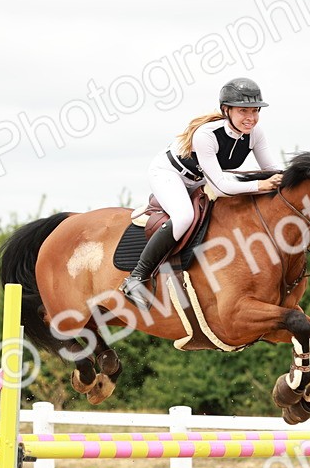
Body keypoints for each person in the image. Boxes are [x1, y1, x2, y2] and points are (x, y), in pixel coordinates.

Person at [121, 77, 284, 308]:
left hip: (199, 179)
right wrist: (260, 186)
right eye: (243, 111)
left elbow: (271, 171)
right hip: (169, 173)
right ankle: (136, 277)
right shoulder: (206, 135)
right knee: (184, 216)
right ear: (226, 110)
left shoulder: (255, 134)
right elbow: (220, 186)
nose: (251, 117)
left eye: (255, 110)